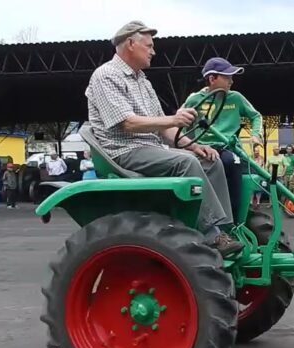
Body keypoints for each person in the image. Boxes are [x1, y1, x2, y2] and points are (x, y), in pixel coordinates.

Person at [85, 21, 242, 256]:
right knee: (186, 162)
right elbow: (126, 123)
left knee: (211, 159)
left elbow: (164, 130)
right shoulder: (106, 75)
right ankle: (212, 235)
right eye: (149, 46)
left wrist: (196, 145)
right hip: (124, 151)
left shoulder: (142, 82)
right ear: (130, 44)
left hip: (150, 147)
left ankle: (224, 229)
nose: (153, 51)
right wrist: (173, 120)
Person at [182, 56, 264, 223]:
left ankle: (235, 219)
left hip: (228, 147)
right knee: (219, 164)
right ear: (212, 79)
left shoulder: (236, 98)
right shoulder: (194, 100)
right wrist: (191, 146)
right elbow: (182, 127)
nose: (231, 81)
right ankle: (219, 221)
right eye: (227, 77)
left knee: (237, 164)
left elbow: (256, 116)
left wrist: (256, 135)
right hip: (204, 149)